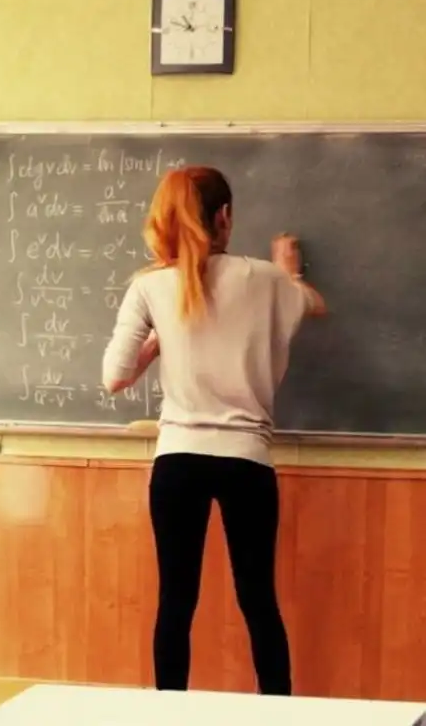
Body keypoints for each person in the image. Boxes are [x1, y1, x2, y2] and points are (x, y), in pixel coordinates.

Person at [101, 166, 326, 695]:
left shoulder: (150, 285)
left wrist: (159, 341)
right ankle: (278, 712)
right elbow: (313, 303)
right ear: (224, 216)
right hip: (247, 460)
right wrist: (289, 273)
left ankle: (168, 713)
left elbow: (115, 377)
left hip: (177, 460)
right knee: (258, 600)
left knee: (176, 601)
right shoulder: (266, 280)